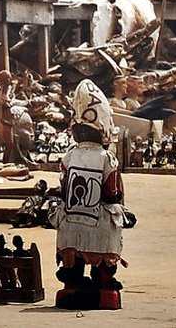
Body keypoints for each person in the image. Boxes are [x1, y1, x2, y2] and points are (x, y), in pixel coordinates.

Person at [50, 78, 127, 310]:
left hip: (70, 223)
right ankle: (103, 279)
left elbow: (63, 189)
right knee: (111, 229)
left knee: (70, 247)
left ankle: (72, 280)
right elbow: (111, 192)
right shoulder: (107, 158)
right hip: (100, 224)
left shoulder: (69, 156)